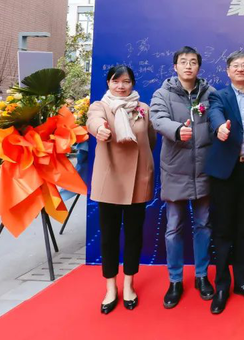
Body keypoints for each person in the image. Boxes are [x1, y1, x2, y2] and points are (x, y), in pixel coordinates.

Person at [150, 46, 216, 309]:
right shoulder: (162, 94)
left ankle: (201, 276)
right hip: (175, 169)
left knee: (204, 225)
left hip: (204, 170)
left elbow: (217, 120)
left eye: (193, 62)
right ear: (175, 66)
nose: (188, 66)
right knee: (174, 227)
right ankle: (175, 280)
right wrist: (177, 130)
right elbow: (157, 119)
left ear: (199, 67)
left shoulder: (209, 93)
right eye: (183, 62)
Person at [87, 65, 156, 314]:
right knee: (109, 236)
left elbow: (151, 139)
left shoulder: (143, 108)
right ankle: (110, 288)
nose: (121, 86)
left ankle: (129, 284)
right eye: (116, 81)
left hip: (138, 178)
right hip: (110, 179)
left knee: (134, 235)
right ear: (108, 83)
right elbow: (93, 121)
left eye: (126, 81)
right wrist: (100, 129)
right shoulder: (101, 106)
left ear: (132, 84)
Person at [204, 51, 244, 314]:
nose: (240, 69)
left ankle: (242, 282)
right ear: (228, 71)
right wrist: (220, 128)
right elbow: (215, 114)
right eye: (235, 66)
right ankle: (221, 286)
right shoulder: (218, 96)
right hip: (225, 172)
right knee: (223, 230)